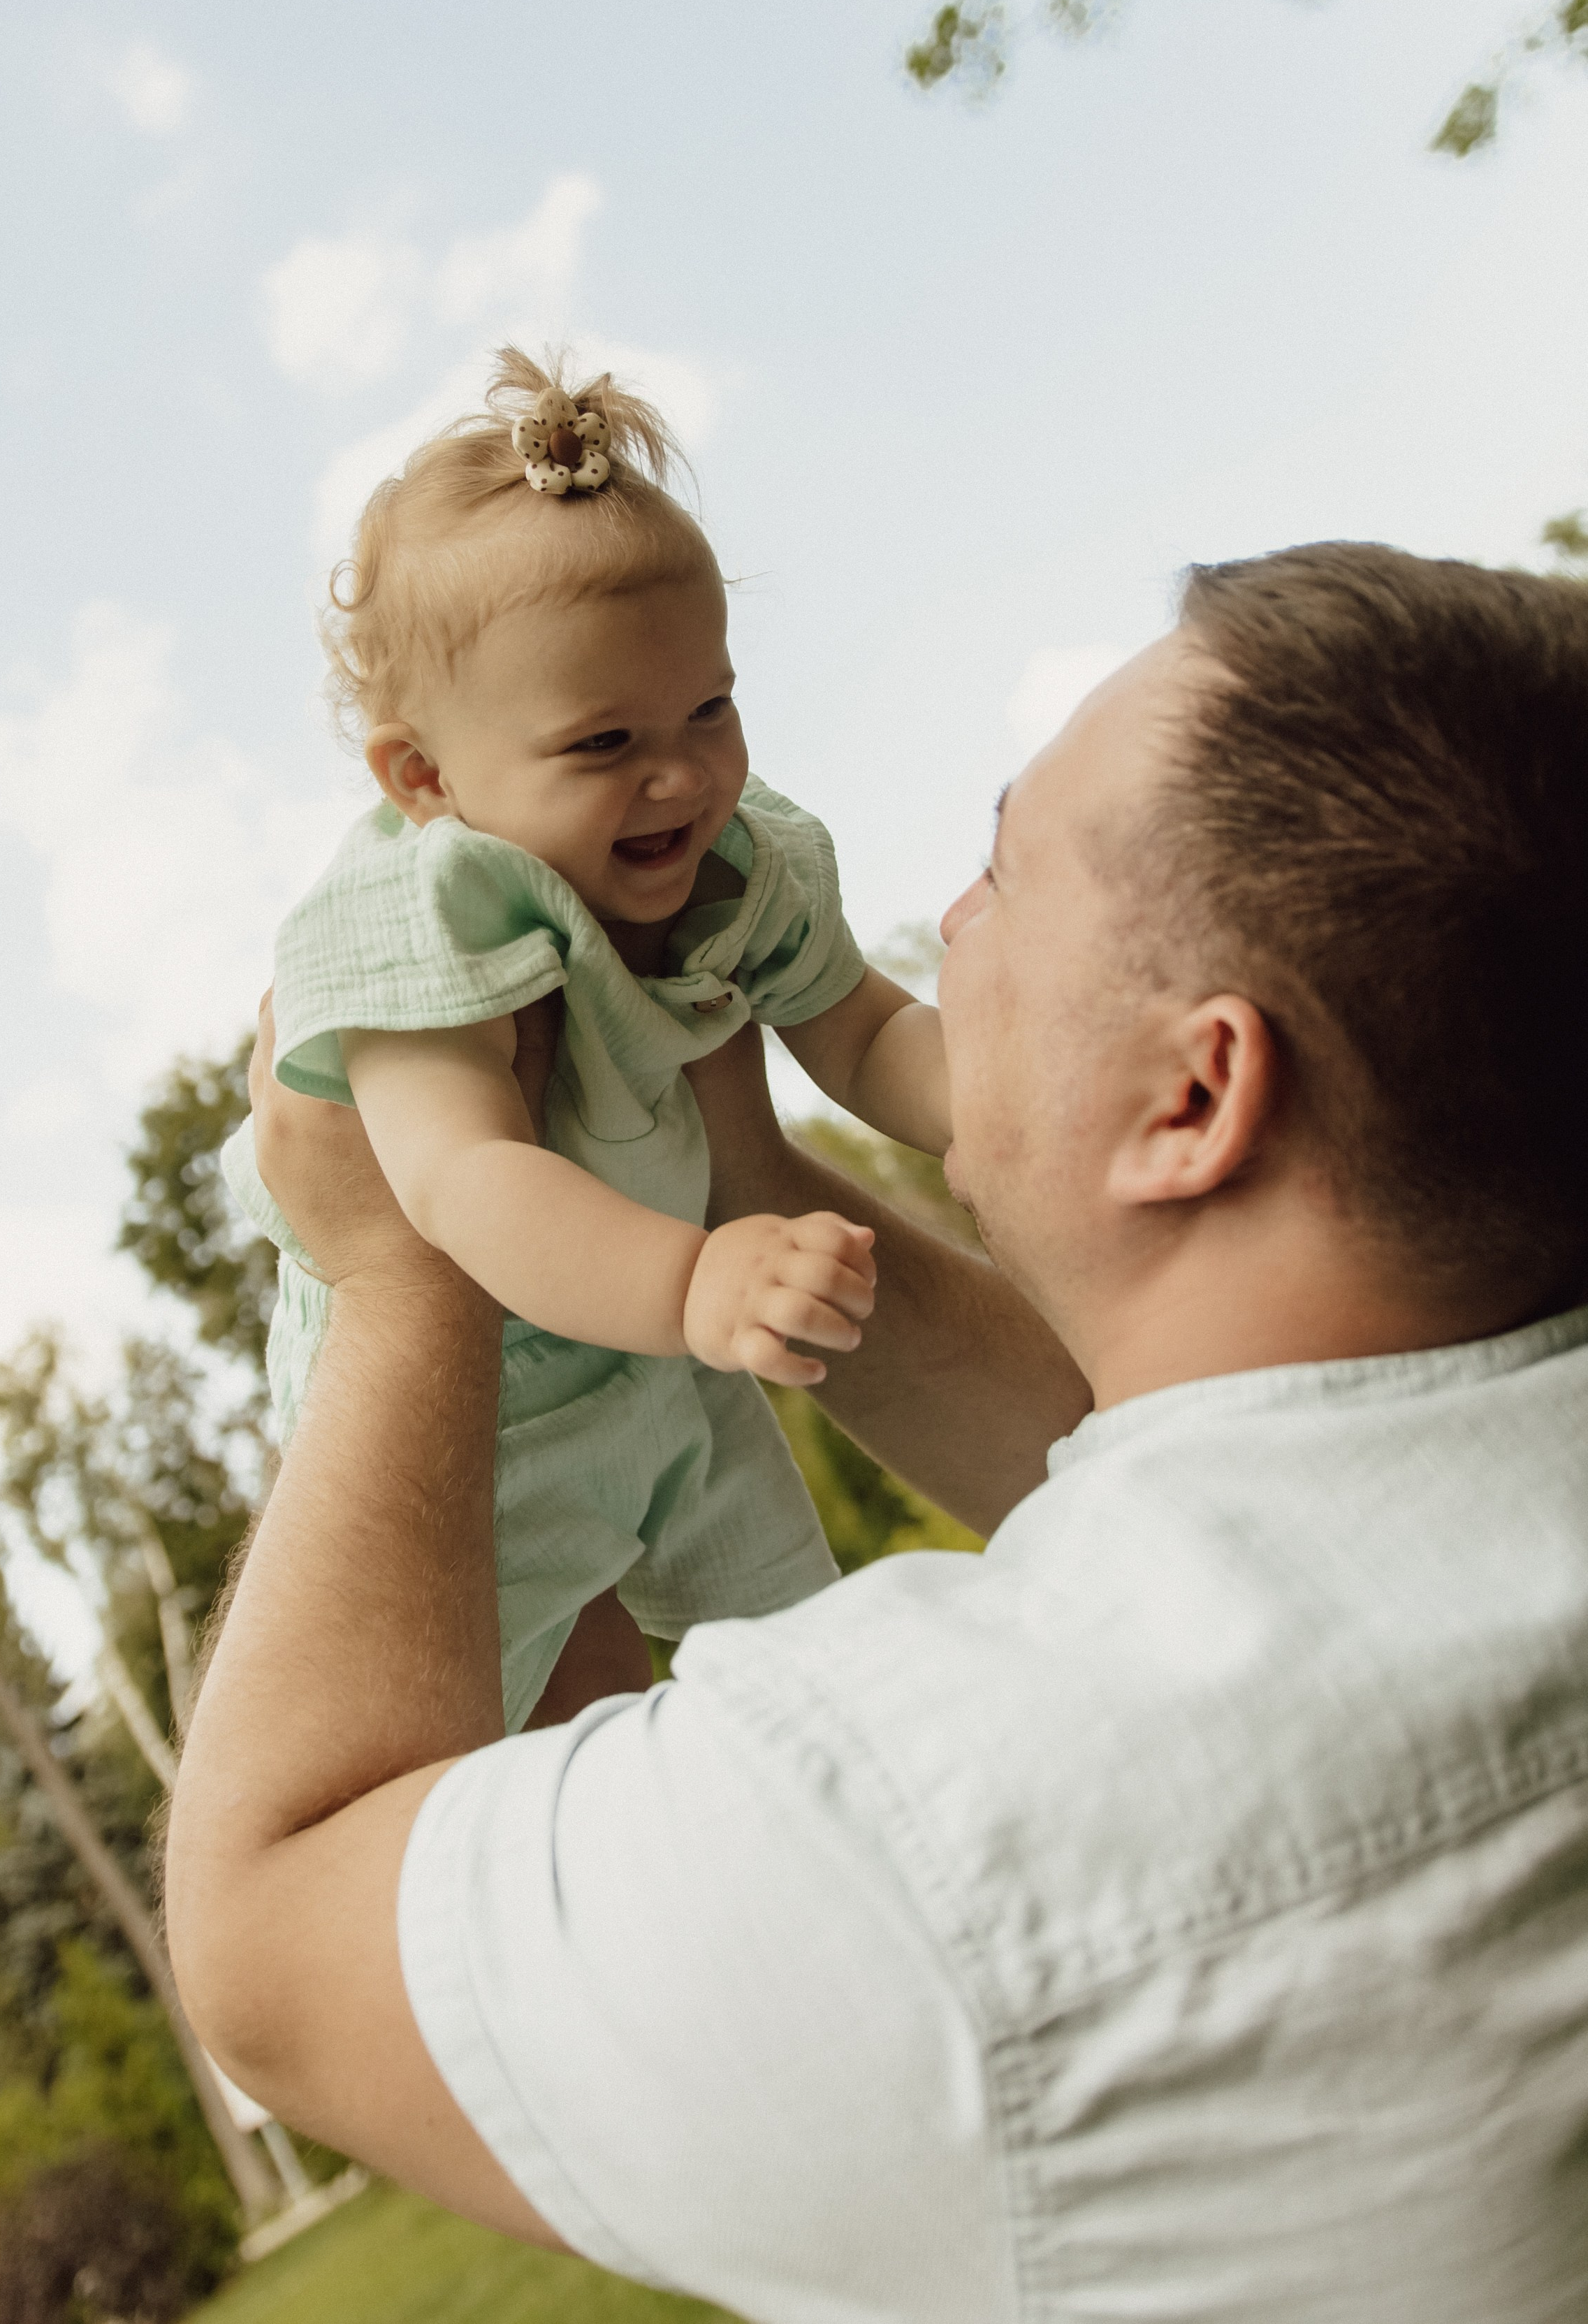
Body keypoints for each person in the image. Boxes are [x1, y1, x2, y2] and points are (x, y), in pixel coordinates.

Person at [166, 543, 1588, 2321]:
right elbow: (1192, 1475)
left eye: (1005, 873)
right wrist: (734, 1169)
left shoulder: (926, 1833)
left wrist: (400, 1278)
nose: (950, 918)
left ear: (1194, 1089)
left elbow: (273, 1941)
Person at [224, 346, 949, 1729]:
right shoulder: (421, 907)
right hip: (474, 1420)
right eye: (604, 742)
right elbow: (463, 1180)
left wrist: (1008, 1097)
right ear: (424, 776)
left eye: (710, 707)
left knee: (825, 1669)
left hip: (668, 1362)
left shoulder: (737, 863)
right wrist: (693, 1277)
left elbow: (865, 1034)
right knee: (448, 1742)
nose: (681, 773)